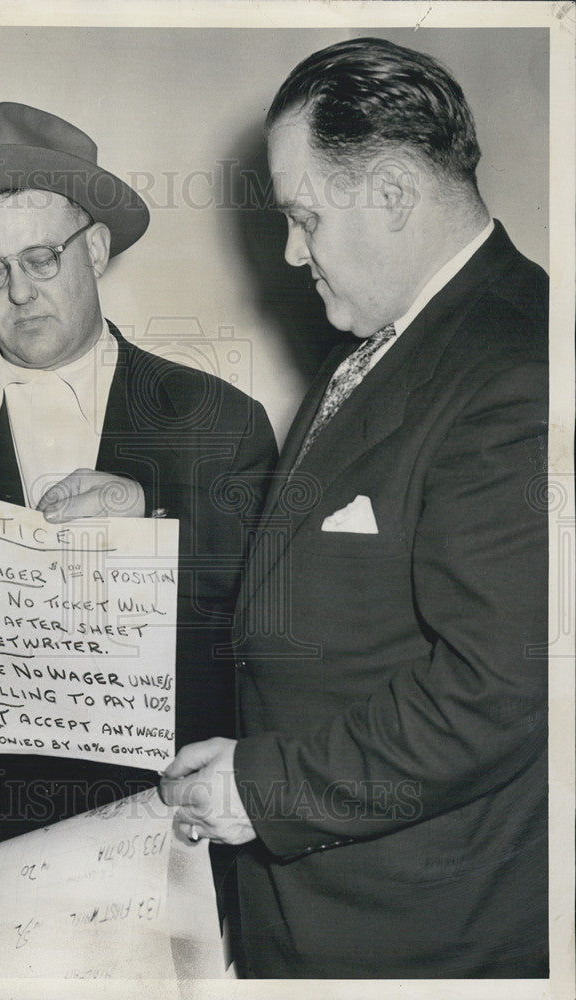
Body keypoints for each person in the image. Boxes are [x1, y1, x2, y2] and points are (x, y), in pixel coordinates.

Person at [0, 102, 277, 975]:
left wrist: (154, 537)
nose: (19, 293)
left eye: (41, 258)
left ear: (95, 250)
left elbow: (272, 618)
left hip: (160, 814)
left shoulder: (218, 421)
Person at [161, 37, 548, 978]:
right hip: (332, 899)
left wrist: (258, 789)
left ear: (390, 195)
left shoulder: (516, 368)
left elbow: (499, 691)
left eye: (303, 218)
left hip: (421, 929)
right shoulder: (380, 340)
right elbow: (312, 570)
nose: (290, 253)